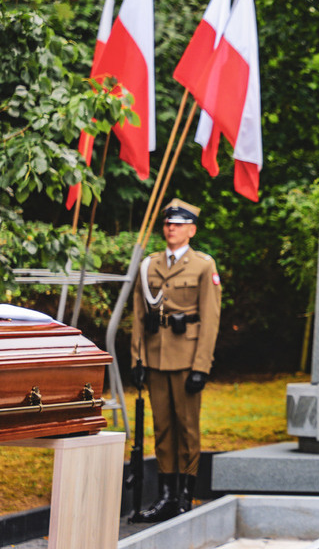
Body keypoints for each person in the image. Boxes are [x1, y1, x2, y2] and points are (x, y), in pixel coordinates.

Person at [131, 198, 222, 522]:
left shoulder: (203, 265)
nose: (171, 228)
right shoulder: (149, 264)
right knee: (163, 428)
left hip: (187, 358)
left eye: (179, 224)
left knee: (187, 428)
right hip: (155, 356)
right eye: (168, 223)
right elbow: (140, 315)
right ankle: (166, 496)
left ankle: (185, 494)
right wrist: (137, 358)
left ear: (191, 230)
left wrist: (202, 366)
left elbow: (210, 319)